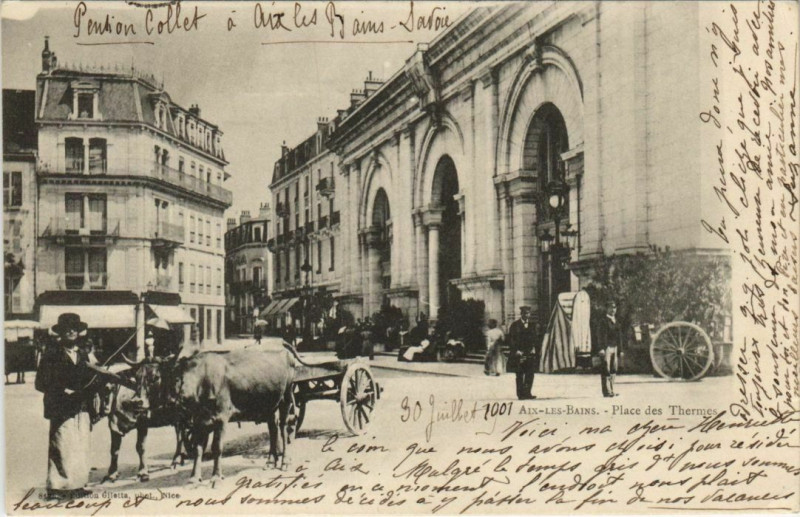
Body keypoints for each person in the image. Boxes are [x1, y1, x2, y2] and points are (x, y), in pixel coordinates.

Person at [35, 313, 96, 500]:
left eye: (74, 328)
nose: (71, 331)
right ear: (61, 332)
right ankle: (57, 488)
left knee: (80, 445)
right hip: (61, 407)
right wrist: (62, 390)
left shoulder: (83, 354)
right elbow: (40, 383)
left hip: (81, 407)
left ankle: (77, 484)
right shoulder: (52, 354)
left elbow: (89, 379)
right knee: (61, 446)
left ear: (79, 332)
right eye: (67, 328)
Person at [508, 306, 541, 400]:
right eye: (525, 313)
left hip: (529, 352)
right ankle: (520, 394)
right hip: (519, 353)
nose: (527, 315)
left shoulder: (532, 325)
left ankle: (528, 393)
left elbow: (535, 338)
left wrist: (534, 348)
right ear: (521, 314)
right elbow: (511, 339)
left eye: (528, 313)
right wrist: (515, 350)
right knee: (519, 374)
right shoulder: (515, 325)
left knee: (530, 373)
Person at [592, 300, 622, 397]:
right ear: (606, 309)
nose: (613, 310)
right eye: (610, 307)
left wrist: (620, 350)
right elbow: (600, 336)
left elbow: (619, 337)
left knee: (614, 369)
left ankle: (612, 390)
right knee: (606, 368)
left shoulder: (616, 321)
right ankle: (606, 391)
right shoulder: (603, 321)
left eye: (614, 308)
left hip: (615, 347)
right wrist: (601, 348)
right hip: (607, 347)